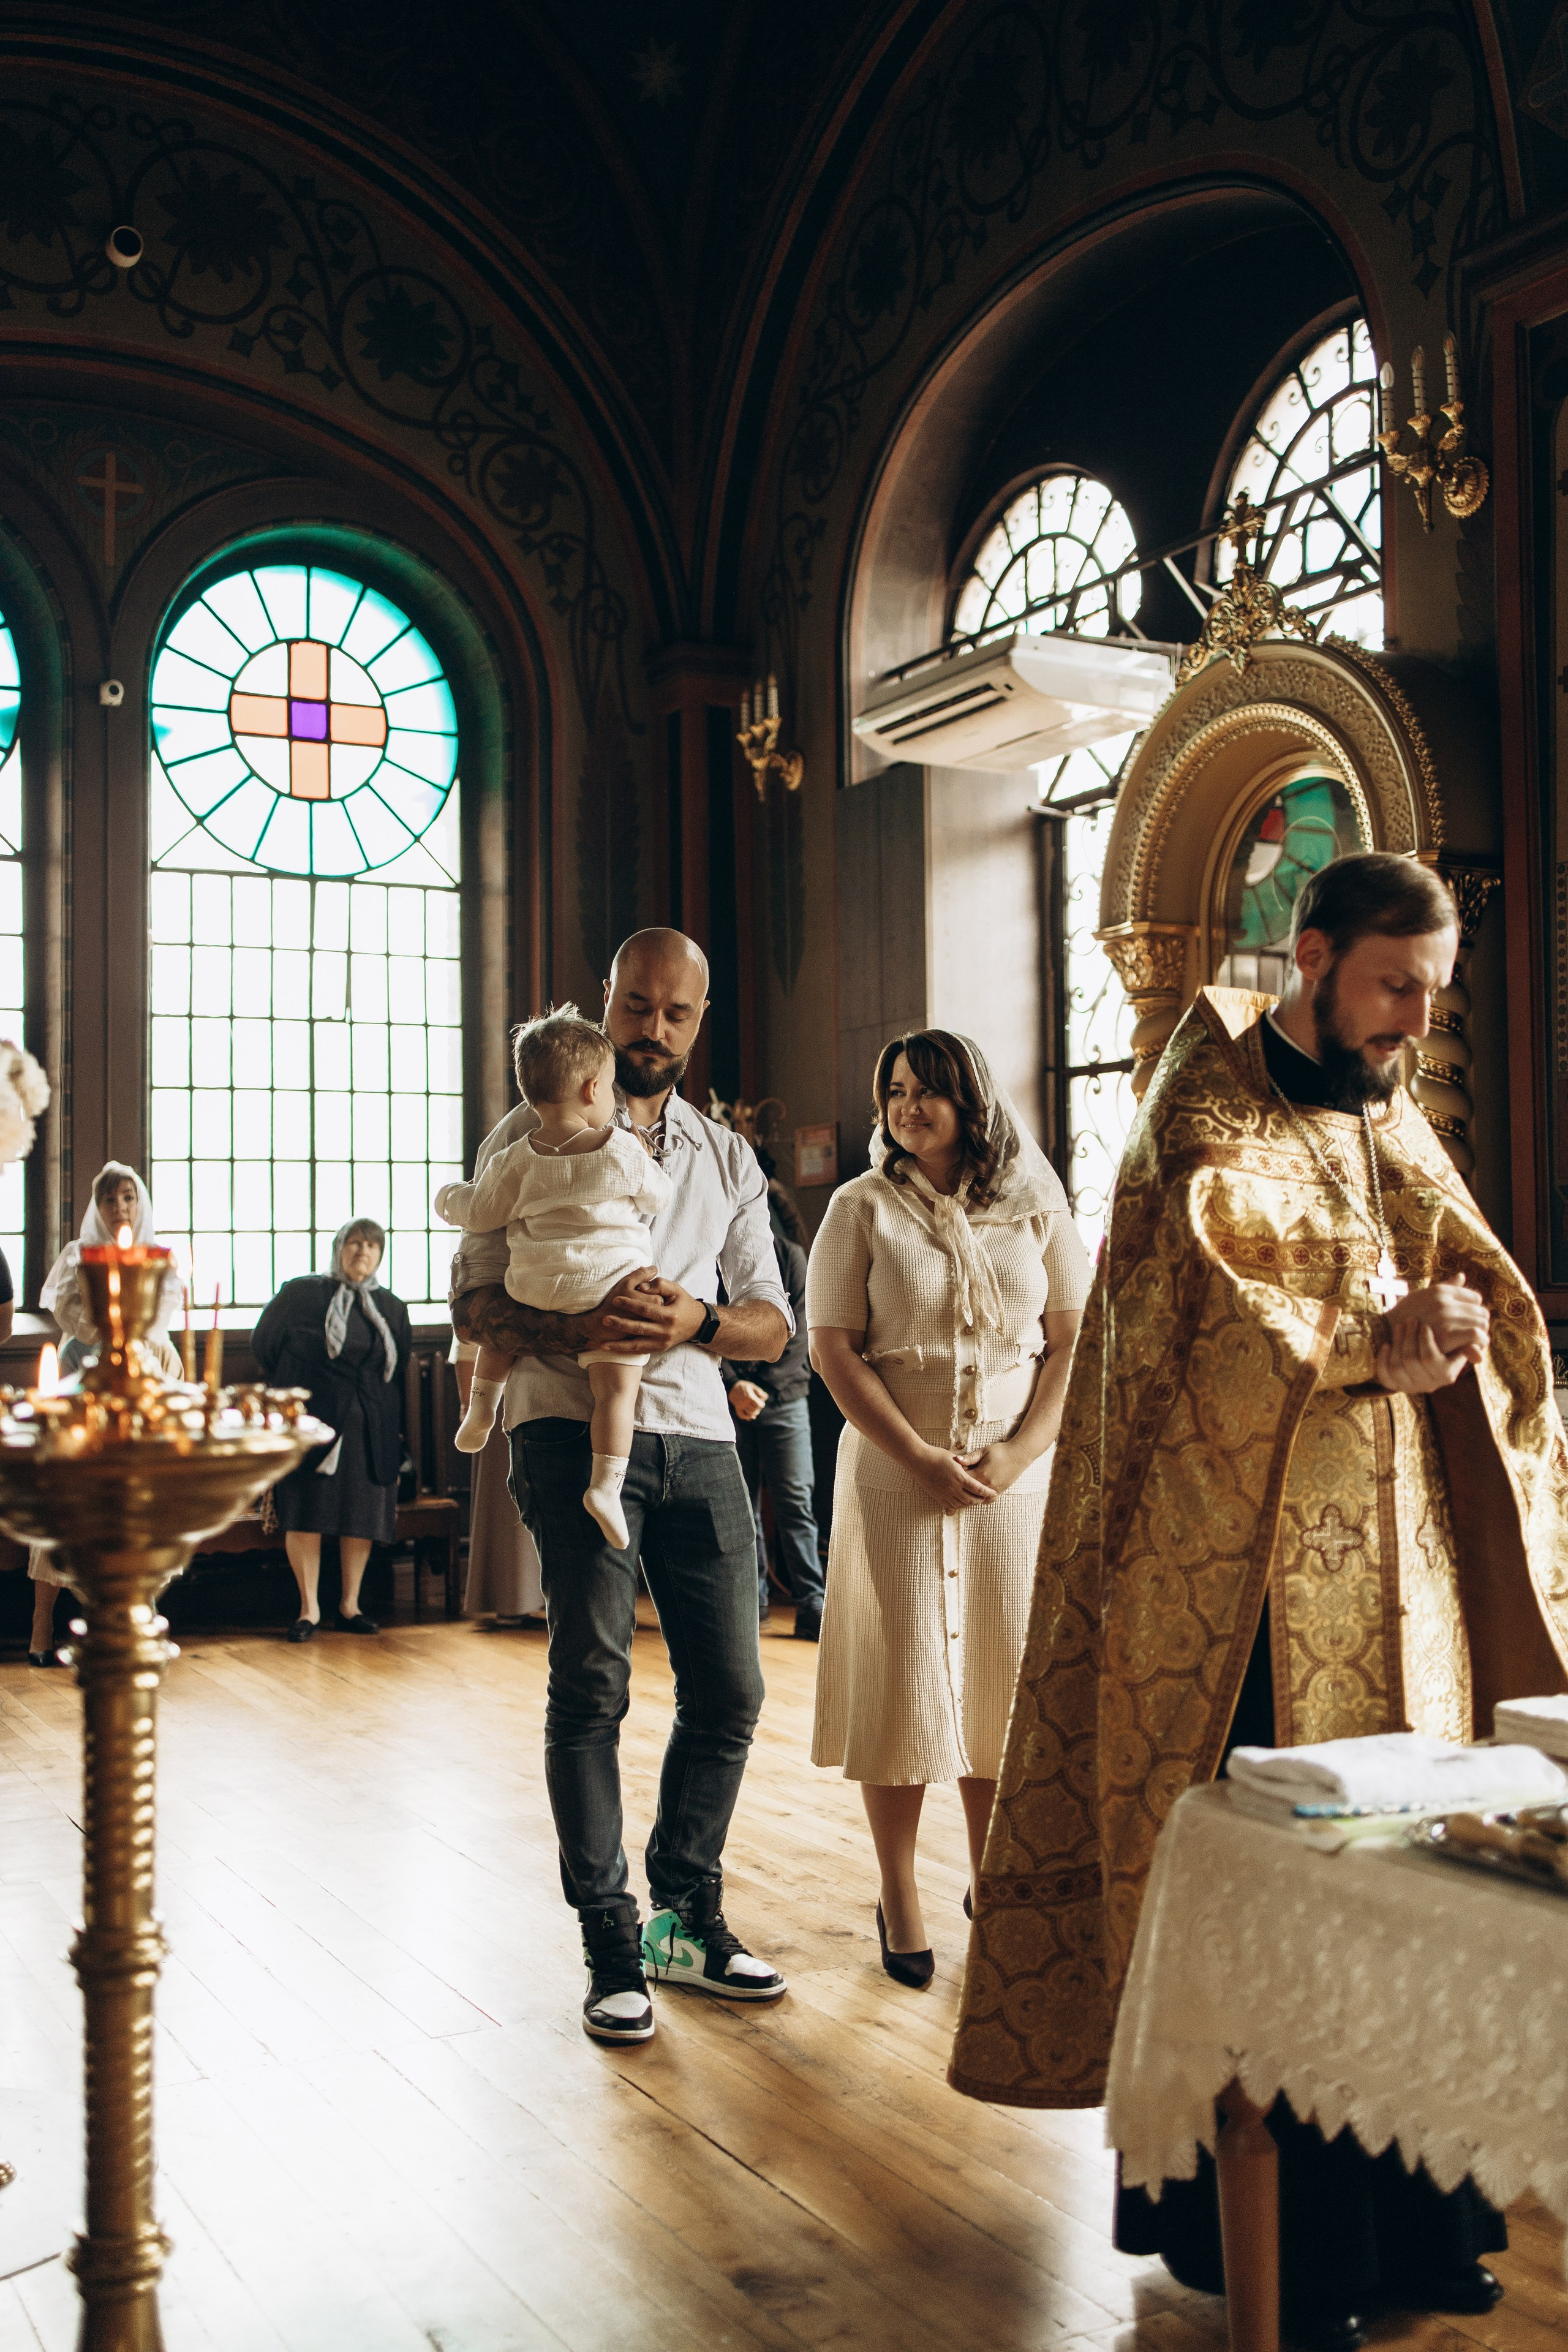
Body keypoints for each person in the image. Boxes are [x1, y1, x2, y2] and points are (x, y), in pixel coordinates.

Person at [950, 853, 1568, 2345]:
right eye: (1390, 986)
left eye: (1432, 992)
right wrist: (1370, 1338)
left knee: (1400, 1881)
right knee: (1285, 1883)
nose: (1412, 1020)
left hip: (1393, 1564)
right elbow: (1207, 1317)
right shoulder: (1199, 1109)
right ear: (1309, 956)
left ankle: (1420, 2217)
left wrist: (1465, 1317)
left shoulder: (1386, 1099)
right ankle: (1276, 2248)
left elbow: (1450, 1252)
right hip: (1238, 1581)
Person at [451, 927, 791, 2045]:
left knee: (733, 1688)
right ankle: (610, 1937)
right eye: (635, 1007)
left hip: (698, 1435)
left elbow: (770, 1323)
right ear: (608, 1004)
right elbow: (473, 1304)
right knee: (591, 1684)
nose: (652, 1030)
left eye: (674, 1015)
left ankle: (686, 1915)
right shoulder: (528, 1132)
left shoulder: (726, 1156)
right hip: (565, 1428)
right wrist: (570, 1324)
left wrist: (693, 1320)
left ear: (698, 1024)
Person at [808, 1030, 1090, 1987]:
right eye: (894, 1091)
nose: (907, 1107)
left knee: (999, 1689)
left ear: (973, 1101)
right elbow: (835, 1350)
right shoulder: (861, 1208)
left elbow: (1072, 1339)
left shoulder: (1034, 1200)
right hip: (896, 1472)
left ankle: (992, 1882)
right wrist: (921, 1457)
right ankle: (899, 1893)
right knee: (903, 1682)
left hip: (1014, 1478)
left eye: (929, 1091)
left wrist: (1017, 1454)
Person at [435, 1006, 671, 1547]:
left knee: (503, 1341)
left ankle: (481, 1409)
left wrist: (448, 1199)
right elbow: (660, 1197)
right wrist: (647, 1160)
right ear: (594, 1089)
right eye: (611, 1087)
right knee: (615, 1388)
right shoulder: (619, 1149)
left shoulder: (516, 1158)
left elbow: (481, 1211)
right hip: (609, 1289)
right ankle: (606, 1485)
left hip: (534, 1286)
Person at [28, 1163, 183, 1665]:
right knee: (68, 1508)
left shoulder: (156, 1257)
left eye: (129, 1198)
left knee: (135, 1509)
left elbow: (159, 1327)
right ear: (97, 1206)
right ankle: (41, 1628)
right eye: (111, 1199)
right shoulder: (80, 1257)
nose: (121, 1208)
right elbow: (77, 1324)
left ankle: (136, 1620)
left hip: (148, 1373)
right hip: (87, 1369)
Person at [253, 1218, 412, 1643]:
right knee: (306, 1511)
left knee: (359, 1516)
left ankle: (350, 1605)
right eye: (354, 1243)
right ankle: (309, 1609)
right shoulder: (302, 1293)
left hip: (370, 1429)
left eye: (372, 1246)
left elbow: (396, 1369)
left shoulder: (392, 1308)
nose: (363, 1251)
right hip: (313, 1425)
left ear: (380, 1256)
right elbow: (264, 1344)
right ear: (339, 1248)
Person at [724, 1174, 826, 1638]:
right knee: (740, 1505)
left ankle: (812, 1605)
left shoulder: (794, 1260)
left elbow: (801, 1337)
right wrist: (733, 1387)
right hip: (727, 1401)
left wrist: (757, 1387)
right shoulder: (712, 1260)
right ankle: (752, 1602)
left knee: (795, 1504)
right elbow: (703, 1331)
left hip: (785, 1399)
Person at [451, 1338, 545, 1623]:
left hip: (564, 1389)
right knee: (506, 1503)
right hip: (499, 1392)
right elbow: (466, 1344)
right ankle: (509, 1599)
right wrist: (469, 1404)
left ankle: (557, 1599)